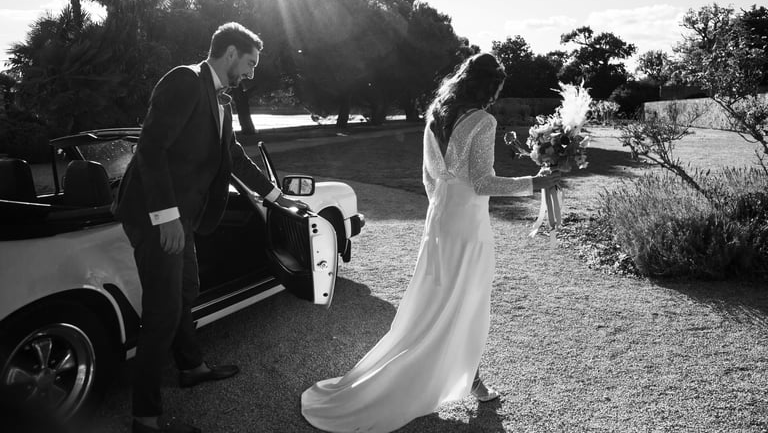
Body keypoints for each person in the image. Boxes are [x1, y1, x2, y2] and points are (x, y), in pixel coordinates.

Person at [301, 53, 561, 433]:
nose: (497, 95)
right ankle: (468, 380)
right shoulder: (483, 121)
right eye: (498, 88)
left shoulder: (436, 115)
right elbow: (482, 183)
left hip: (439, 219)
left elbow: (427, 177)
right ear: (489, 86)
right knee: (468, 301)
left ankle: (471, 378)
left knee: (437, 300)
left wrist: (441, 209)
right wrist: (534, 183)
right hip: (468, 224)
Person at [114, 22, 302, 433]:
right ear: (230, 53)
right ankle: (145, 419)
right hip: (154, 215)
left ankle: (191, 366)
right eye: (250, 63)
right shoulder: (183, 80)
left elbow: (233, 157)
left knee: (187, 290)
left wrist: (277, 198)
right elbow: (151, 148)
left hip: (181, 216)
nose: (251, 73)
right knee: (162, 312)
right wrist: (166, 217)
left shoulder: (223, 103)